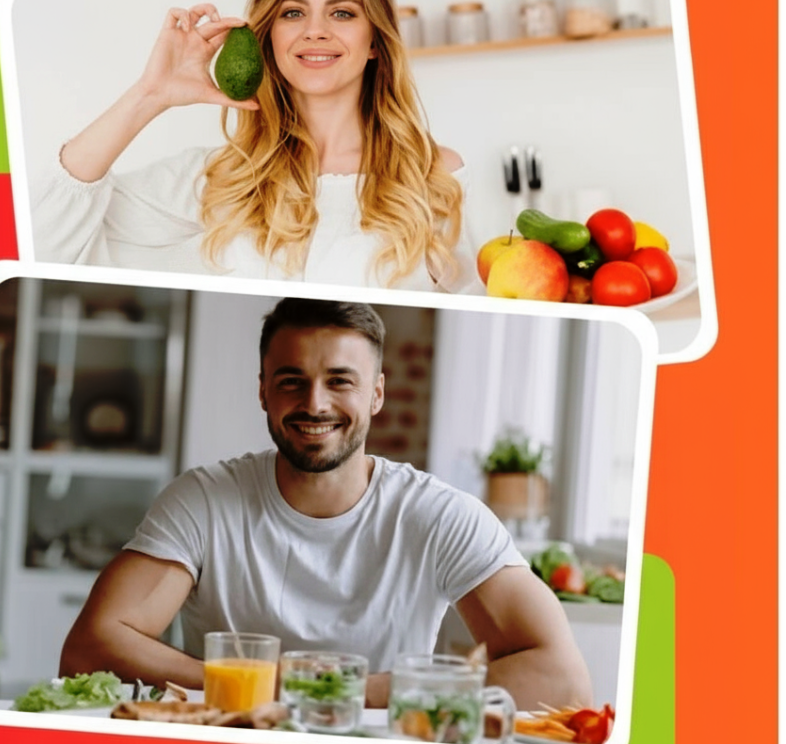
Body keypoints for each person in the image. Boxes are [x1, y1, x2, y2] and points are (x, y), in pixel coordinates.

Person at [60, 298, 592, 711]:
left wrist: (339, 693)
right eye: (292, 381)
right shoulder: (203, 500)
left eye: (340, 381)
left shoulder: (441, 515)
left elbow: (562, 680)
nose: (314, 403)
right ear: (264, 390)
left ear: (377, 395)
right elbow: (89, 649)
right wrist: (261, 685)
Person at [32, 0, 480, 293]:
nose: (315, 30)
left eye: (342, 12)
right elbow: (45, 244)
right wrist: (150, 95)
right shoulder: (219, 179)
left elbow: (484, 297)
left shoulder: (434, 176)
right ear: (269, 40)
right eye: (293, 13)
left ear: (374, 42)